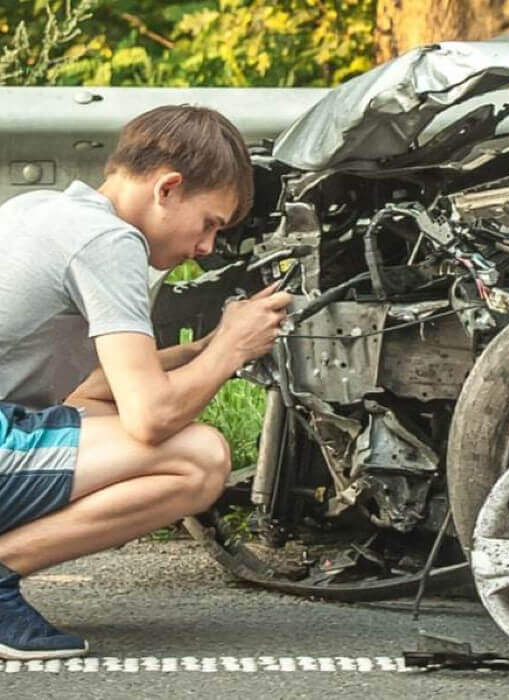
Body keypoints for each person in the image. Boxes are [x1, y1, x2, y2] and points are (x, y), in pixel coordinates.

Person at [0, 105, 292, 660]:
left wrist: (205, 350)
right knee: (196, 457)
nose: (206, 247)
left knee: (109, 417)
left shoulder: (44, 209)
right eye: (209, 222)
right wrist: (230, 350)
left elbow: (95, 387)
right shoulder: (107, 242)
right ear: (169, 188)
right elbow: (151, 416)